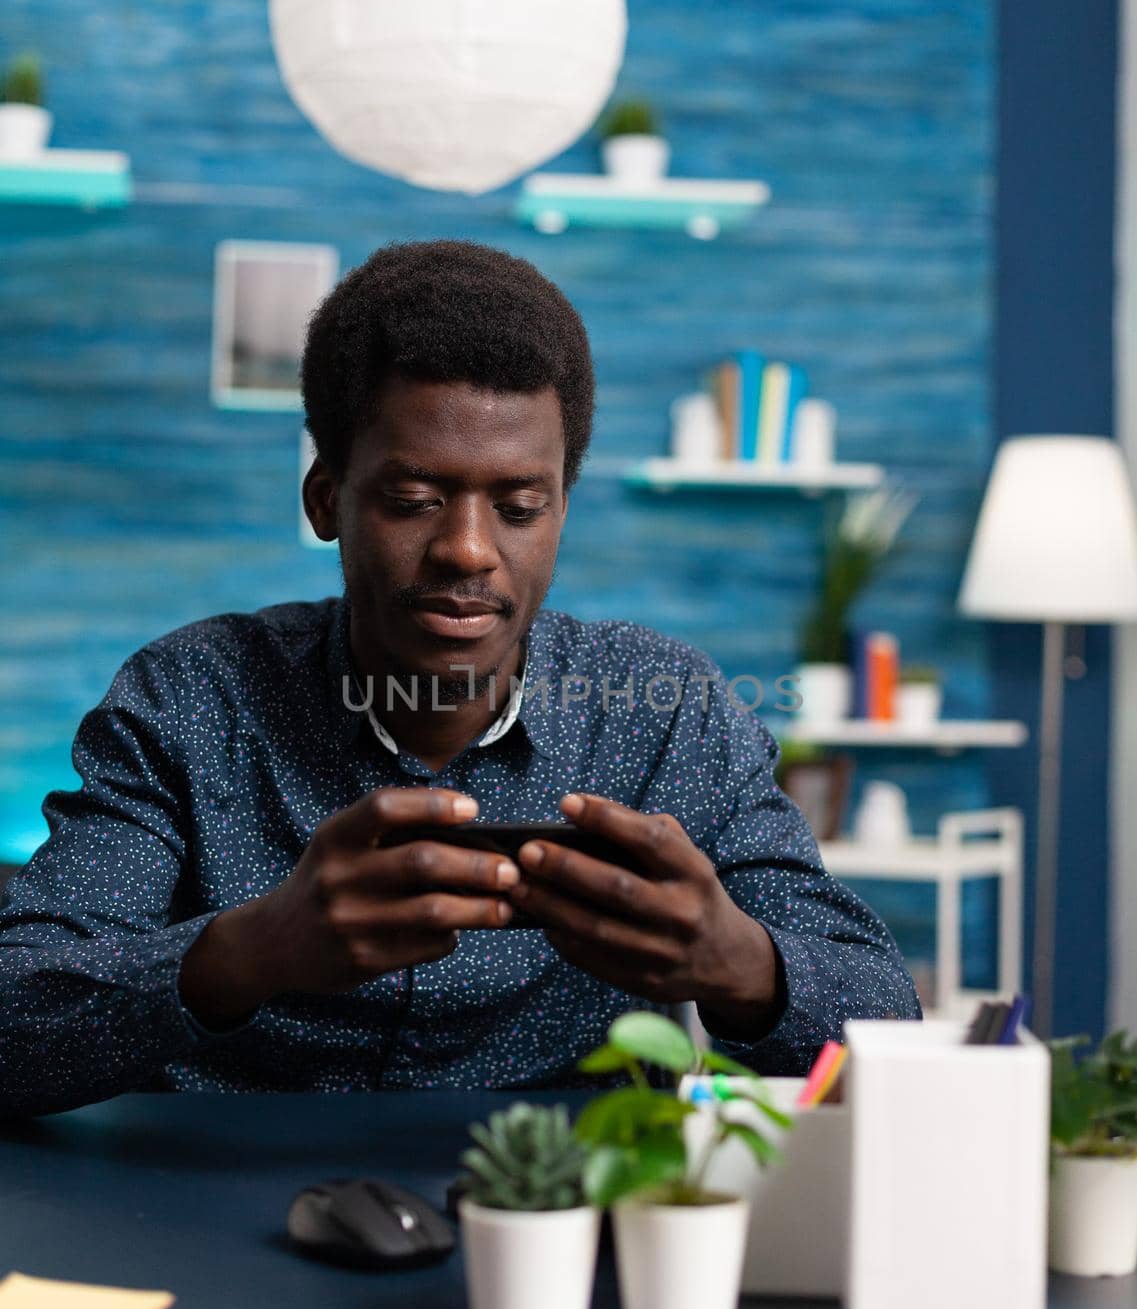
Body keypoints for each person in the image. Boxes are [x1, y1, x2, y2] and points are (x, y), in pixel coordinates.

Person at [0, 240, 919, 1117]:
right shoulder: (191, 700)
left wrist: (742, 965)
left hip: (556, 1217)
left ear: (561, 510)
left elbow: (886, 1029)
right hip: (203, 1216)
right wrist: (244, 951)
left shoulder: (667, 715)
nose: (469, 551)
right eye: (413, 502)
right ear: (327, 499)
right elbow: (15, 1020)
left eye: (519, 507)